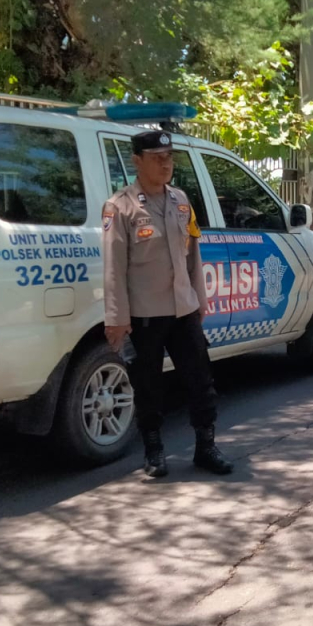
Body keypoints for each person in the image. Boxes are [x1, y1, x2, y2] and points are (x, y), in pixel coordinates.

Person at [101, 129, 233, 478]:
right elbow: (113, 267)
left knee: (200, 381)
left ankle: (206, 447)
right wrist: (116, 318)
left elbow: (194, 255)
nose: (166, 164)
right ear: (137, 161)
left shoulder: (180, 201)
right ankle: (154, 451)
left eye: (169, 158)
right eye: (157, 158)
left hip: (183, 311)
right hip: (145, 314)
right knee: (147, 386)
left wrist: (200, 300)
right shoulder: (120, 207)